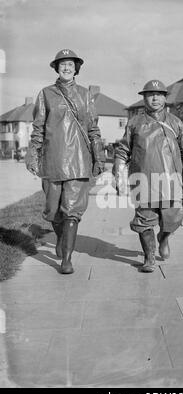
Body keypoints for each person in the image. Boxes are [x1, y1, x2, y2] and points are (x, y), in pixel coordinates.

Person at [25, 49, 105, 274]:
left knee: (72, 211)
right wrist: (33, 153)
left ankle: (66, 260)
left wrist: (99, 157)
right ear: (56, 68)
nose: (66, 68)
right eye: (62, 64)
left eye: (70, 64)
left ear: (76, 68)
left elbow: (93, 129)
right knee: (52, 211)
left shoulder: (85, 94)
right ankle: (60, 238)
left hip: (79, 161)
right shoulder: (46, 94)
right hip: (52, 161)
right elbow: (38, 128)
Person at [113, 79, 183, 272]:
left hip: (171, 179)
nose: (155, 98)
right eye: (151, 94)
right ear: (144, 98)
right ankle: (149, 257)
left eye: (159, 94)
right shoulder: (134, 123)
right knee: (145, 220)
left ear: (165, 98)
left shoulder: (175, 122)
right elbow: (123, 150)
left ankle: (164, 238)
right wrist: (119, 173)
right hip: (143, 178)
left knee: (174, 217)